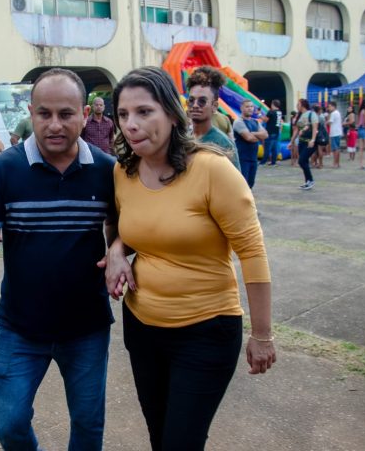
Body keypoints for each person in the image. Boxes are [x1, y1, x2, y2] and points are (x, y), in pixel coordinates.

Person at [102, 66, 275, 450]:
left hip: (206, 331)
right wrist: (115, 250)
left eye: (144, 111)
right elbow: (132, 226)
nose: (131, 124)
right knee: (159, 436)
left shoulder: (212, 169)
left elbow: (252, 251)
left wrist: (262, 334)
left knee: (181, 442)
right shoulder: (122, 172)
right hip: (142, 328)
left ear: (170, 112)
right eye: (123, 114)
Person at [0, 68, 116, 450]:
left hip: (87, 328)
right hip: (20, 328)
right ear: (30, 113)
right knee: (9, 422)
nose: (55, 125)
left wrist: (118, 248)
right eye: (44, 114)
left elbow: (123, 230)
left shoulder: (107, 171)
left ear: (85, 114)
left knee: (88, 424)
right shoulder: (2, 170)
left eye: (66, 114)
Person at [185, 66, 240, 171]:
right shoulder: (183, 138)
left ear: (214, 106)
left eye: (202, 101)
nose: (195, 105)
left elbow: (235, 180)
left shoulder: (223, 144)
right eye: (191, 100)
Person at [233, 100, 268, 188]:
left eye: (252, 106)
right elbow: (249, 138)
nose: (250, 109)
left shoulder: (255, 122)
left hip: (253, 158)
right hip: (242, 159)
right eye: (247, 106)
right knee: (242, 185)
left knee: (250, 184)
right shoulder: (238, 122)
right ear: (241, 108)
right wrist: (259, 136)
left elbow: (265, 135)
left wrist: (253, 133)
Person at [289, 99, 318, 190]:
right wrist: (292, 141)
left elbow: (315, 128)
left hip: (310, 142)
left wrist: (313, 140)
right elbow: (296, 130)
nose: (297, 106)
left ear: (303, 105)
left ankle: (311, 180)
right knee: (304, 162)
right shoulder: (299, 115)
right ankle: (307, 181)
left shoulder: (312, 114)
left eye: (298, 104)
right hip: (301, 142)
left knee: (301, 160)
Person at [260, 99, 283, 166]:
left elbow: (265, 120)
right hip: (276, 132)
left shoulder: (271, 112)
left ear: (273, 104)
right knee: (274, 148)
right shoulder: (279, 112)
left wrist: (259, 115)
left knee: (267, 148)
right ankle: (273, 162)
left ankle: (263, 162)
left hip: (270, 132)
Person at [326, 101, 343, 168]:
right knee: (337, 148)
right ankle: (337, 163)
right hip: (338, 132)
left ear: (333, 106)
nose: (329, 108)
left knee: (335, 149)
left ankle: (335, 163)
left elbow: (330, 122)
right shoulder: (338, 113)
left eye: (330, 106)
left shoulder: (333, 113)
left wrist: (326, 122)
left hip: (334, 133)